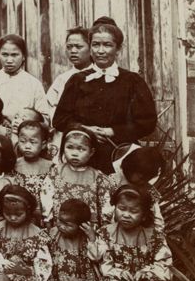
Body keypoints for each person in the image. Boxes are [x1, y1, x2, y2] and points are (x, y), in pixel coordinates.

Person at [52, 20, 157, 173]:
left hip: (119, 157)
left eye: (107, 45)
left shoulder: (132, 81)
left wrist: (113, 131)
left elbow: (147, 123)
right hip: (82, 157)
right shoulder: (77, 80)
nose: (100, 51)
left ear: (118, 49)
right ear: (90, 47)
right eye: (95, 45)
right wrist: (86, 129)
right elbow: (60, 120)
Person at [41, 25, 93, 124]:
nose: (73, 51)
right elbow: (48, 107)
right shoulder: (62, 79)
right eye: (69, 47)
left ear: (91, 48)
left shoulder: (98, 75)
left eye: (79, 47)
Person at [0, 34, 47, 125]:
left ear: (23, 56)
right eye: (5, 54)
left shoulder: (33, 84)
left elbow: (44, 118)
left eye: (14, 55)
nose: (9, 60)